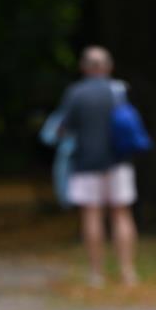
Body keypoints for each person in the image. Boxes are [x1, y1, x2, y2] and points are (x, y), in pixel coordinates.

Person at [58, 46, 139, 287]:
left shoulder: (76, 93)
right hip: (119, 161)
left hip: (85, 162)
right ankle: (128, 272)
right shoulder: (119, 90)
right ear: (108, 67)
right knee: (122, 213)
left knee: (92, 214)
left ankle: (96, 274)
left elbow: (64, 128)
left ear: (84, 67)